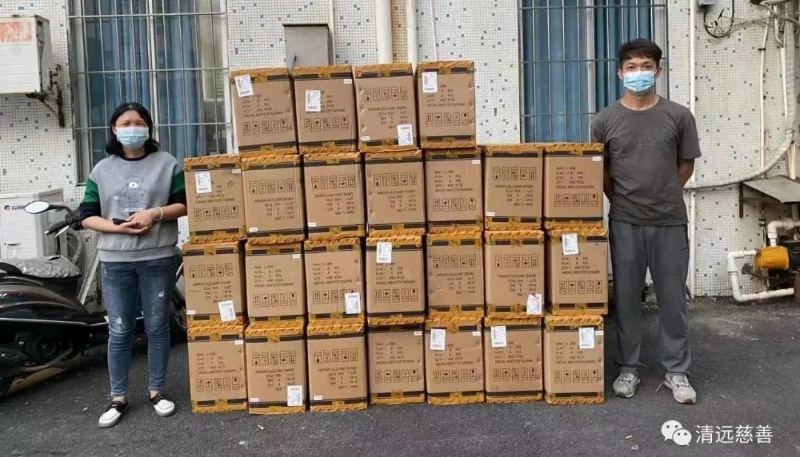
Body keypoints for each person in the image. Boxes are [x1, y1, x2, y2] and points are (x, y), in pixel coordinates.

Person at [591, 39, 701, 404]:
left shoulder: (679, 116)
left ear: (658, 71)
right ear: (620, 73)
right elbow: (602, 172)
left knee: (673, 300)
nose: (639, 73)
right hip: (625, 221)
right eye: (632, 67)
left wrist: (663, 194)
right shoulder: (604, 121)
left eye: (646, 66)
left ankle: (678, 372)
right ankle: (629, 368)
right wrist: (622, 200)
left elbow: (685, 166)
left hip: (669, 221)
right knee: (626, 299)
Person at [79, 102, 187, 427]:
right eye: (125, 123)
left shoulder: (167, 164)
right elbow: (87, 216)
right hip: (116, 260)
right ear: (114, 129)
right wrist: (118, 229)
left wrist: (155, 213)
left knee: (157, 325)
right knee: (120, 328)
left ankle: (157, 391)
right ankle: (118, 397)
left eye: (138, 122)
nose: (132, 128)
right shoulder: (101, 170)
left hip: (157, 257)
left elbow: (184, 204)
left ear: (148, 128)